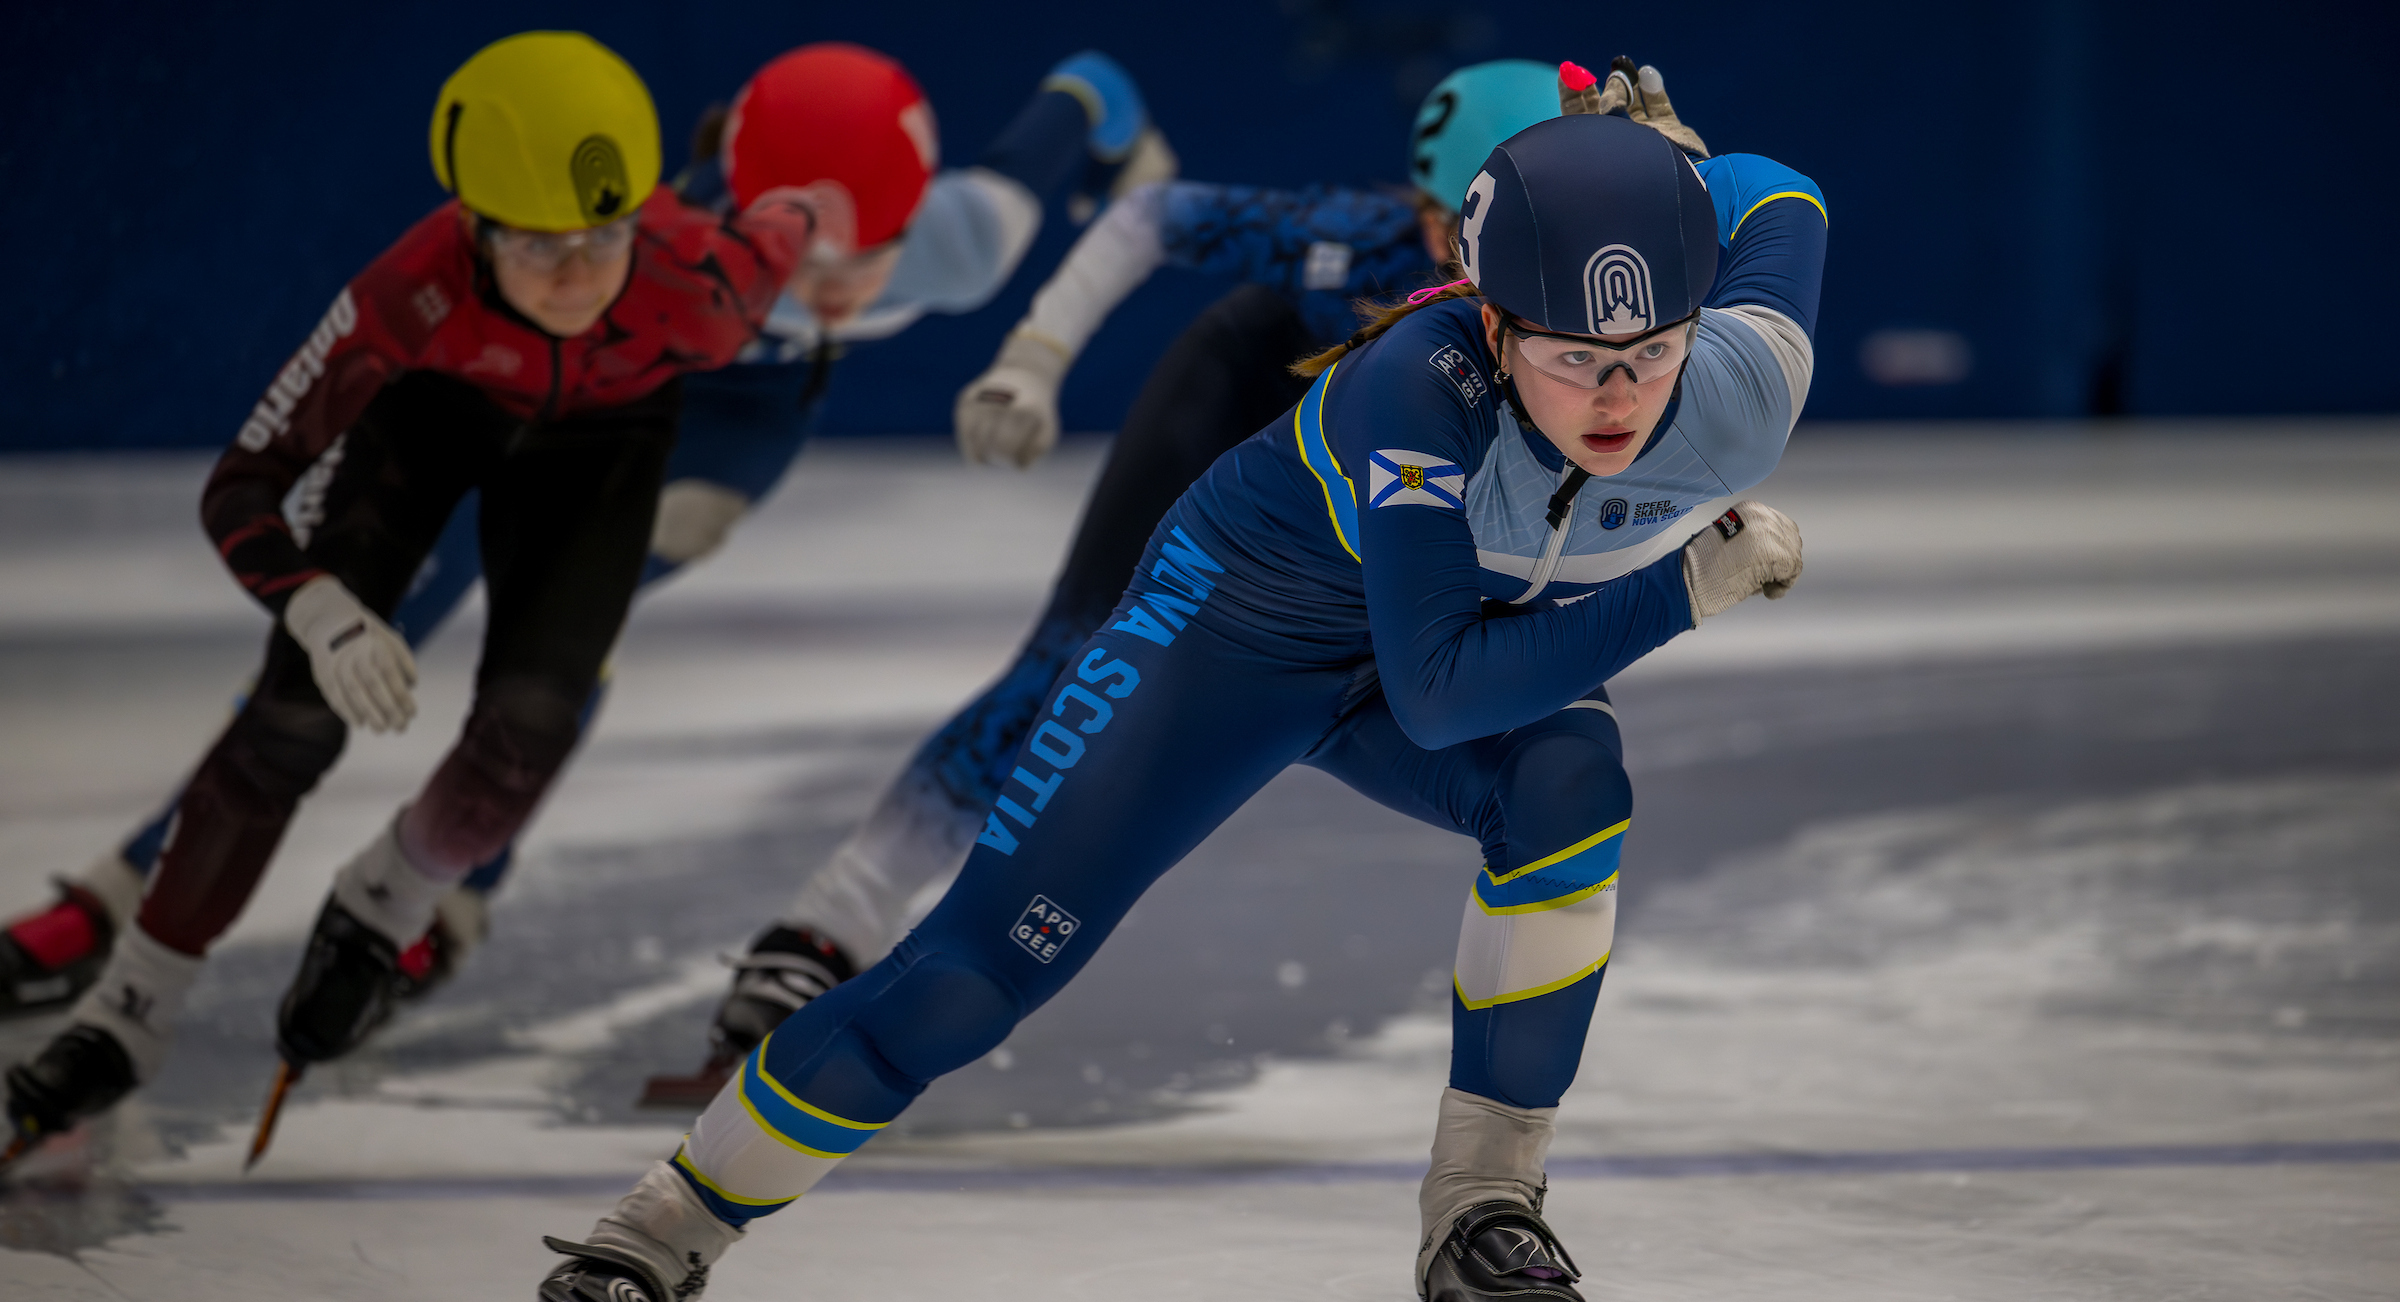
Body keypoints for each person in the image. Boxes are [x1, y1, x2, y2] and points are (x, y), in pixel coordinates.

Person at [476, 61, 1826, 1302]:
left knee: (1572, 784)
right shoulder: (1417, 387)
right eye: (1570, 357)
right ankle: (658, 1237)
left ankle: (1484, 1199)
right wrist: (1676, 590)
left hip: (1427, 640)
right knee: (972, 977)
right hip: (1233, 637)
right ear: (1488, 316)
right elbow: (1436, 692)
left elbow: (1783, 195)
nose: (1617, 397)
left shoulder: (1743, 382)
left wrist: (1684, 176)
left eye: (1651, 354)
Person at [0, 46, 1169, 1018]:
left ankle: (451, 890)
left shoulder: (965, 240)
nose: (826, 290)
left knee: (566, 628)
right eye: (799, 256)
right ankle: (124, 890)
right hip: (587, 380)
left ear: (916, 229)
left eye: (867, 263)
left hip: (729, 424)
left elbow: (1090, 82)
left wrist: (1129, 162)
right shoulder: (666, 238)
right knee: (380, 609)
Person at [644, 58, 1567, 1101]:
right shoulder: (1358, 237)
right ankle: (831, 921)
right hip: (1244, 415)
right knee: (1071, 667)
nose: (1489, 267)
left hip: (1374, 485)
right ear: (1424, 211)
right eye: (1459, 231)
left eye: (1527, 236)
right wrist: (1034, 357)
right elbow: (1148, 220)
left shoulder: (1601, 295)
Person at [0, 31, 851, 1162]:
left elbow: (791, 222)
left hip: (607, 438)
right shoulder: (405, 294)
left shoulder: (703, 285)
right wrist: (319, 606)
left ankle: (392, 901)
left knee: (533, 724)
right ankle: (132, 1007)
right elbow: (242, 484)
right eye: (541, 245)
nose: (579, 276)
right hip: (432, 417)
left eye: (605, 237)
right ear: (473, 228)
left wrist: (810, 204)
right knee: (288, 722)